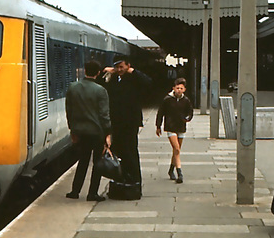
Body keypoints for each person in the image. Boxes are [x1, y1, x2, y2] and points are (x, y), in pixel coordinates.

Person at [103, 56, 152, 195]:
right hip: (116, 122)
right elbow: (101, 87)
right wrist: (105, 72)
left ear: (128, 66)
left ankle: (135, 181)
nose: (119, 70)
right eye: (117, 67)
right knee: (118, 152)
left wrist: (134, 72)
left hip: (130, 122)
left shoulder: (134, 78)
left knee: (130, 151)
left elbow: (149, 82)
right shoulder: (112, 79)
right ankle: (122, 179)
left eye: (122, 67)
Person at [65, 60, 112, 202]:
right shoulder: (101, 91)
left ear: (85, 70)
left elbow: (69, 111)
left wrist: (72, 130)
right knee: (97, 162)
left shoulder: (73, 88)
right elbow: (104, 114)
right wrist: (108, 133)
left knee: (82, 161)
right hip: (96, 132)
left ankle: (75, 191)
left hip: (80, 131)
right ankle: (92, 193)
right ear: (98, 73)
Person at [155, 78, 193, 183]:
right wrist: (158, 126)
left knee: (177, 151)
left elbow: (190, 111)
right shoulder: (167, 99)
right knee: (176, 149)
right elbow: (161, 113)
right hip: (170, 126)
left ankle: (171, 169)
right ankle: (179, 173)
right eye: (177, 88)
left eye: (181, 88)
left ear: (184, 89)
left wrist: (187, 118)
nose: (179, 90)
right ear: (173, 88)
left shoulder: (186, 100)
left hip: (181, 126)